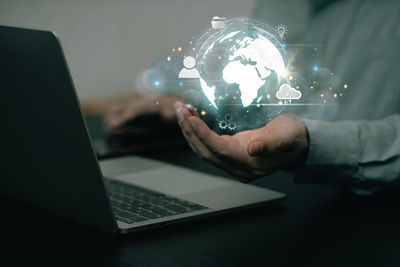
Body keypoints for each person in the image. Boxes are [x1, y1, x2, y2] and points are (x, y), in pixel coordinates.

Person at [106, 0, 400, 193]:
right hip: (275, 199)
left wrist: (312, 144)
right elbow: (255, 98)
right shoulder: (278, 8)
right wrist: (187, 110)